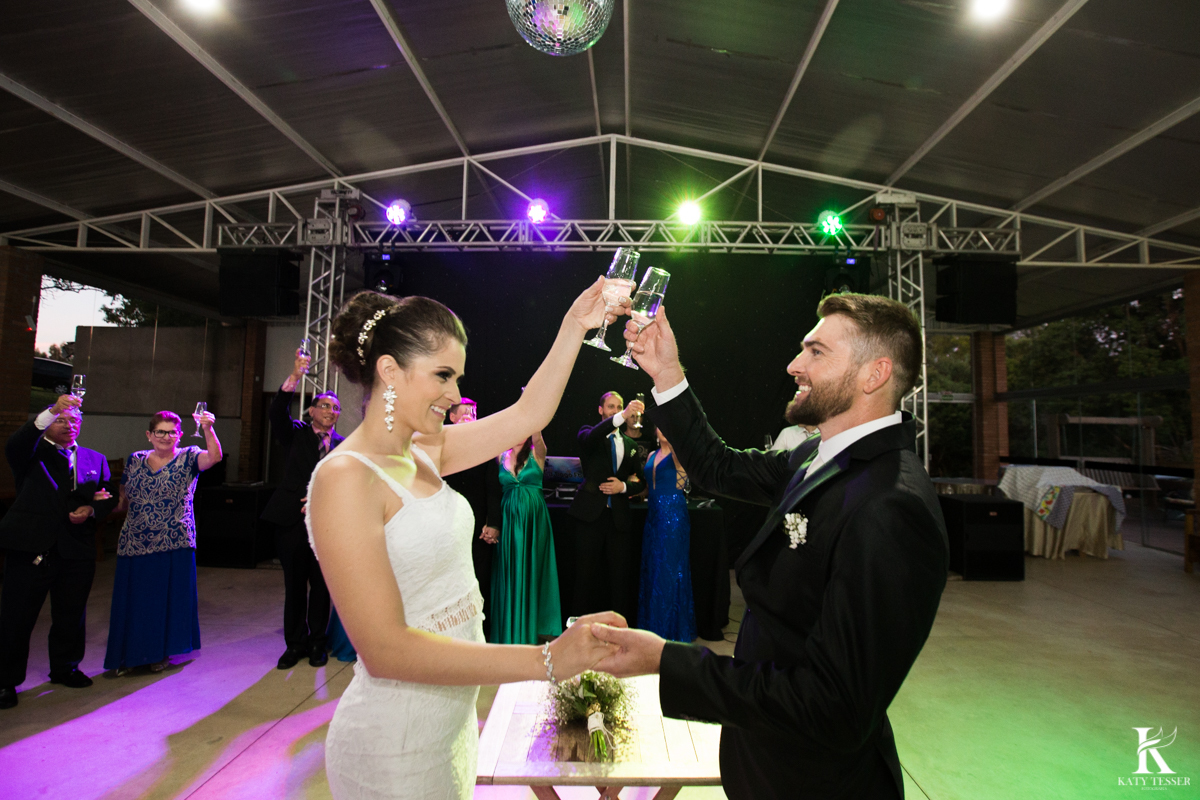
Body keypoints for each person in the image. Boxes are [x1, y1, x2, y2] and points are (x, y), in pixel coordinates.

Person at [594, 293, 949, 800]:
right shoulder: (814, 455)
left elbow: (833, 708)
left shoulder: (891, 508)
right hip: (767, 766)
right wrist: (667, 372)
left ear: (875, 375)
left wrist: (666, 661)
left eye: (817, 352)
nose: (794, 365)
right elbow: (717, 466)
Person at [305, 282, 622, 799]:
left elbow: (527, 416)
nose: (455, 395)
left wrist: (574, 326)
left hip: (449, 732)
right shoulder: (345, 477)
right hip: (392, 750)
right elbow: (386, 650)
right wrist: (546, 661)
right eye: (443, 376)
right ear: (389, 371)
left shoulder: (424, 452)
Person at [0, 396, 117, 710]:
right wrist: (53, 408)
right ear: (49, 422)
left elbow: (108, 496)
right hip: (32, 548)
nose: (70, 425)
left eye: (75, 420)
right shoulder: (31, 452)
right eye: (62, 420)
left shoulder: (95, 458)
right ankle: (5, 681)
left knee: (70, 613)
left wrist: (93, 509)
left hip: (76, 548)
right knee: (17, 615)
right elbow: (16, 442)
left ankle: (65, 667)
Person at [104, 409, 222, 675]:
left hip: (174, 540)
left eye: (172, 432)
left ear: (179, 435)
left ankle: (159, 653)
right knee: (135, 601)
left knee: (163, 601)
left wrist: (207, 429)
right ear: (149, 435)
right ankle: (128, 656)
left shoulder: (189, 456)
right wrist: (100, 506)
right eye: (160, 431)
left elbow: (214, 457)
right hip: (135, 540)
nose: (166, 436)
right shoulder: (135, 460)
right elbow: (123, 498)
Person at [261, 351, 344, 669]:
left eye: (336, 407)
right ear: (311, 411)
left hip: (327, 526)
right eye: (325, 405)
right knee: (294, 585)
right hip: (292, 521)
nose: (331, 411)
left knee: (322, 586)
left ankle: (317, 643)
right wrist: (295, 376)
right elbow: (276, 411)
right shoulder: (294, 434)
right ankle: (294, 644)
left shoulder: (343, 445)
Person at [567, 391, 645, 625]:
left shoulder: (631, 445)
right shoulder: (588, 434)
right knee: (584, 575)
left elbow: (640, 481)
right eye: (610, 406)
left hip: (618, 519)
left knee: (619, 578)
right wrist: (622, 416)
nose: (614, 410)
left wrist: (623, 487)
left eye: (619, 406)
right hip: (589, 516)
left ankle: (619, 630)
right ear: (601, 410)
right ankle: (577, 628)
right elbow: (592, 436)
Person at [490, 429, 561, 644]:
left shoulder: (536, 452)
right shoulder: (500, 455)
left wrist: (533, 408)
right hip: (509, 520)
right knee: (509, 570)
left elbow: (538, 436)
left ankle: (531, 631)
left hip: (533, 520)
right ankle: (509, 632)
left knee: (532, 569)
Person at [443, 398, 502, 639]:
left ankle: (479, 637)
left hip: (479, 530)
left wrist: (494, 523)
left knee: (479, 582)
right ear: (452, 418)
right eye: (466, 412)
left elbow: (493, 489)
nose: (471, 416)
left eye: (474, 413)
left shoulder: (485, 447)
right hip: (446, 527)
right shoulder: (441, 446)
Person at [637, 428, 696, 643]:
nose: (664, 429)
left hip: (673, 516)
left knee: (670, 571)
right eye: (660, 425)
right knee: (652, 569)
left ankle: (670, 631)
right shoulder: (652, 455)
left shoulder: (678, 453)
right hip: (653, 516)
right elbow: (649, 487)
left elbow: (682, 485)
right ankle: (651, 628)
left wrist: (680, 460)